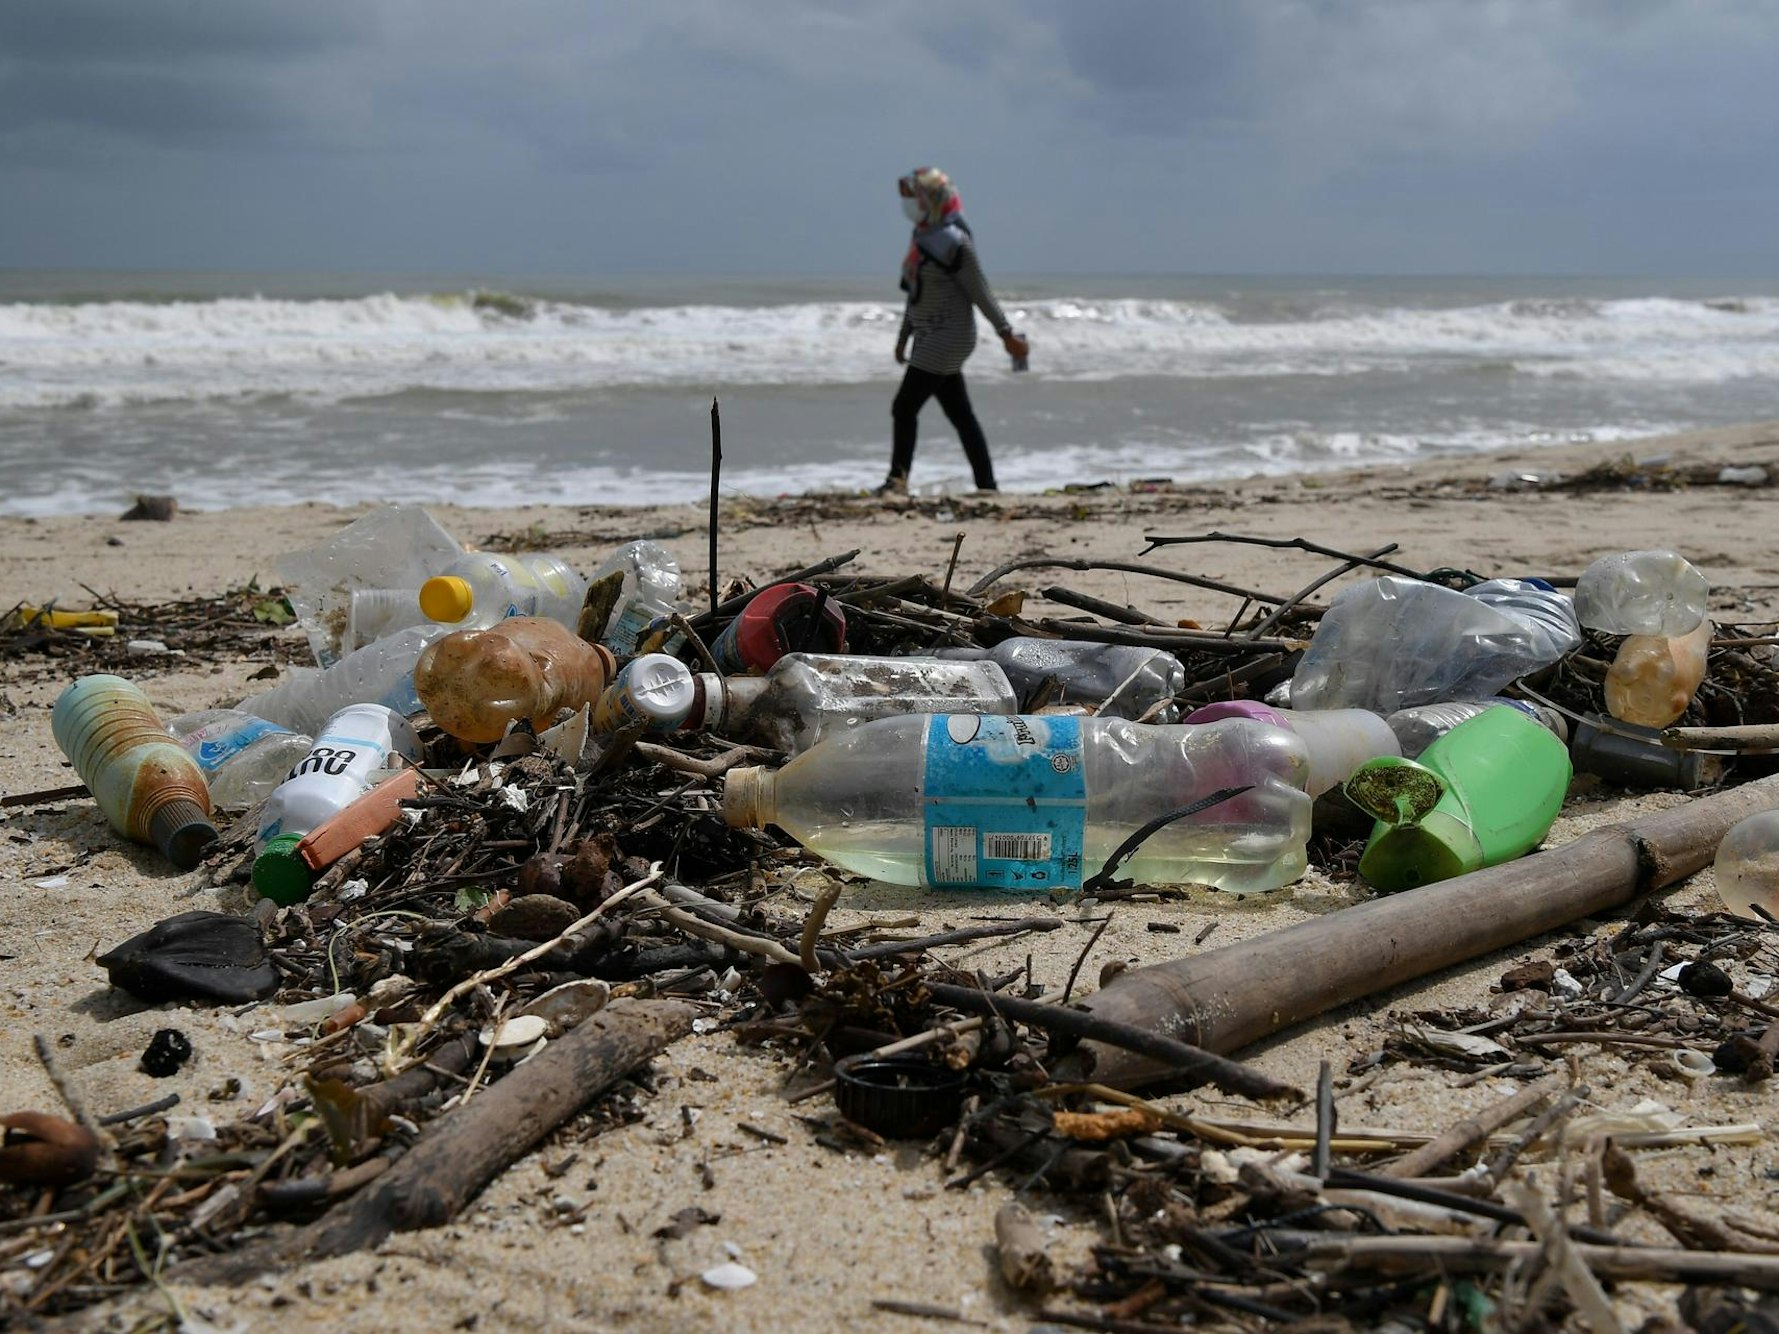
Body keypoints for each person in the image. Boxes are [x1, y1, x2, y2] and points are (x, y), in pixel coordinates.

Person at [877, 166, 1029, 497]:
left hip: (949, 336)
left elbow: (980, 292)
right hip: (928, 336)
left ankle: (896, 481)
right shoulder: (922, 236)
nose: (908, 206)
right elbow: (915, 294)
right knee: (960, 413)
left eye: (914, 198)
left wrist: (1007, 334)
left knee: (904, 407)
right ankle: (987, 486)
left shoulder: (953, 242)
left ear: (931, 199)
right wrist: (904, 337)